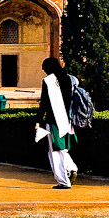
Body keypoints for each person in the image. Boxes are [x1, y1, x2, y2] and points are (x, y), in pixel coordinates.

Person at [36, 56, 78, 189]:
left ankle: (63, 181)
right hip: (67, 119)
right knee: (62, 147)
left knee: (55, 151)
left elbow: (44, 103)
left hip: (54, 120)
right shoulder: (69, 79)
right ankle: (71, 168)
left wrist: (38, 120)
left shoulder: (49, 81)